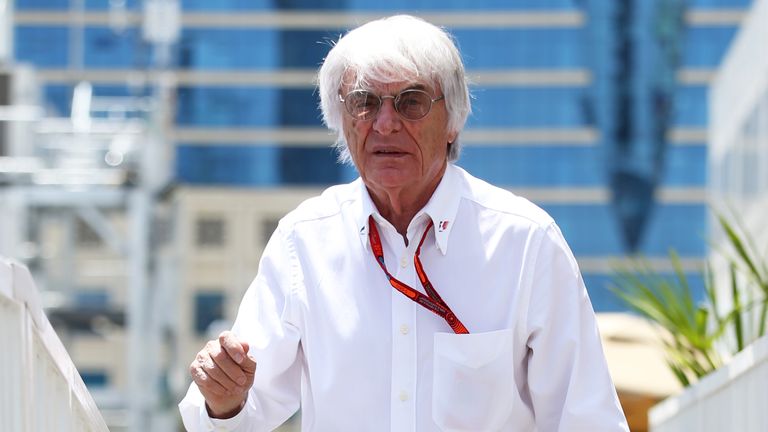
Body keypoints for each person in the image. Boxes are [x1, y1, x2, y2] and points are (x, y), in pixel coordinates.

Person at [179, 14, 629, 432]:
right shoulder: (304, 241)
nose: (385, 124)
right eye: (364, 103)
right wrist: (225, 398)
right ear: (341, 120)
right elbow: (241, 410)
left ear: (453, 121)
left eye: (411, 103)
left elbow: (587, 419)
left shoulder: (525, 243)